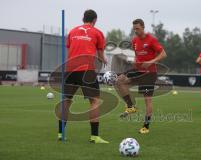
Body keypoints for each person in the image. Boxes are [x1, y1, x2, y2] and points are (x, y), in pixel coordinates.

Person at [57, 9, 109, 143]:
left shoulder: (72, 31)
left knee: (66, 101)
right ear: (95, 20)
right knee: (95, 101)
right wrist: (104, 60)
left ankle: (60, 133)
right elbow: (100, 55)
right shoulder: (97, 33)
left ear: (83, 18)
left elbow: (71, 48)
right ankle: (95, 136)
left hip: (70, 69)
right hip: (86, 69)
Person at [115, 19, 167, 134]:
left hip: (149, 73)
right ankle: (130, 106)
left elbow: (163, 54)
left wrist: (151, 61)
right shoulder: (134, 41)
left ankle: (146, 127)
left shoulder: (152, 40)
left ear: (143, 27)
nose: (136, 31)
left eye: (137, 28)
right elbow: (137, 56)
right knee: (119, 81)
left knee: (147, 100)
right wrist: (133, 62)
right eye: (134, 29)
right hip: (137, 70)